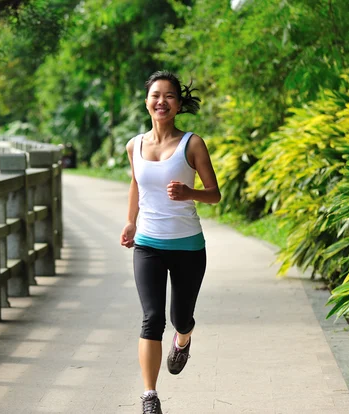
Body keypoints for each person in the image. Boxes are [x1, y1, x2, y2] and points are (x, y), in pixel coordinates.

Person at [120, 71, 221, 414]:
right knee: (151, 318)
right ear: (147, 101)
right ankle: (150, 396)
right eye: (155, 95)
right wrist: (131, 222)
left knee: (181, 318)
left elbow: (215, 194)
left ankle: (184, 340)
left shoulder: (192, 144)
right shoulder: (134, 145)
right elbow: (136, 184)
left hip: (188, 246)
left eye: (169, 96)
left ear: (178, 104)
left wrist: (189, 192)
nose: (161, 101)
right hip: (148, 244)